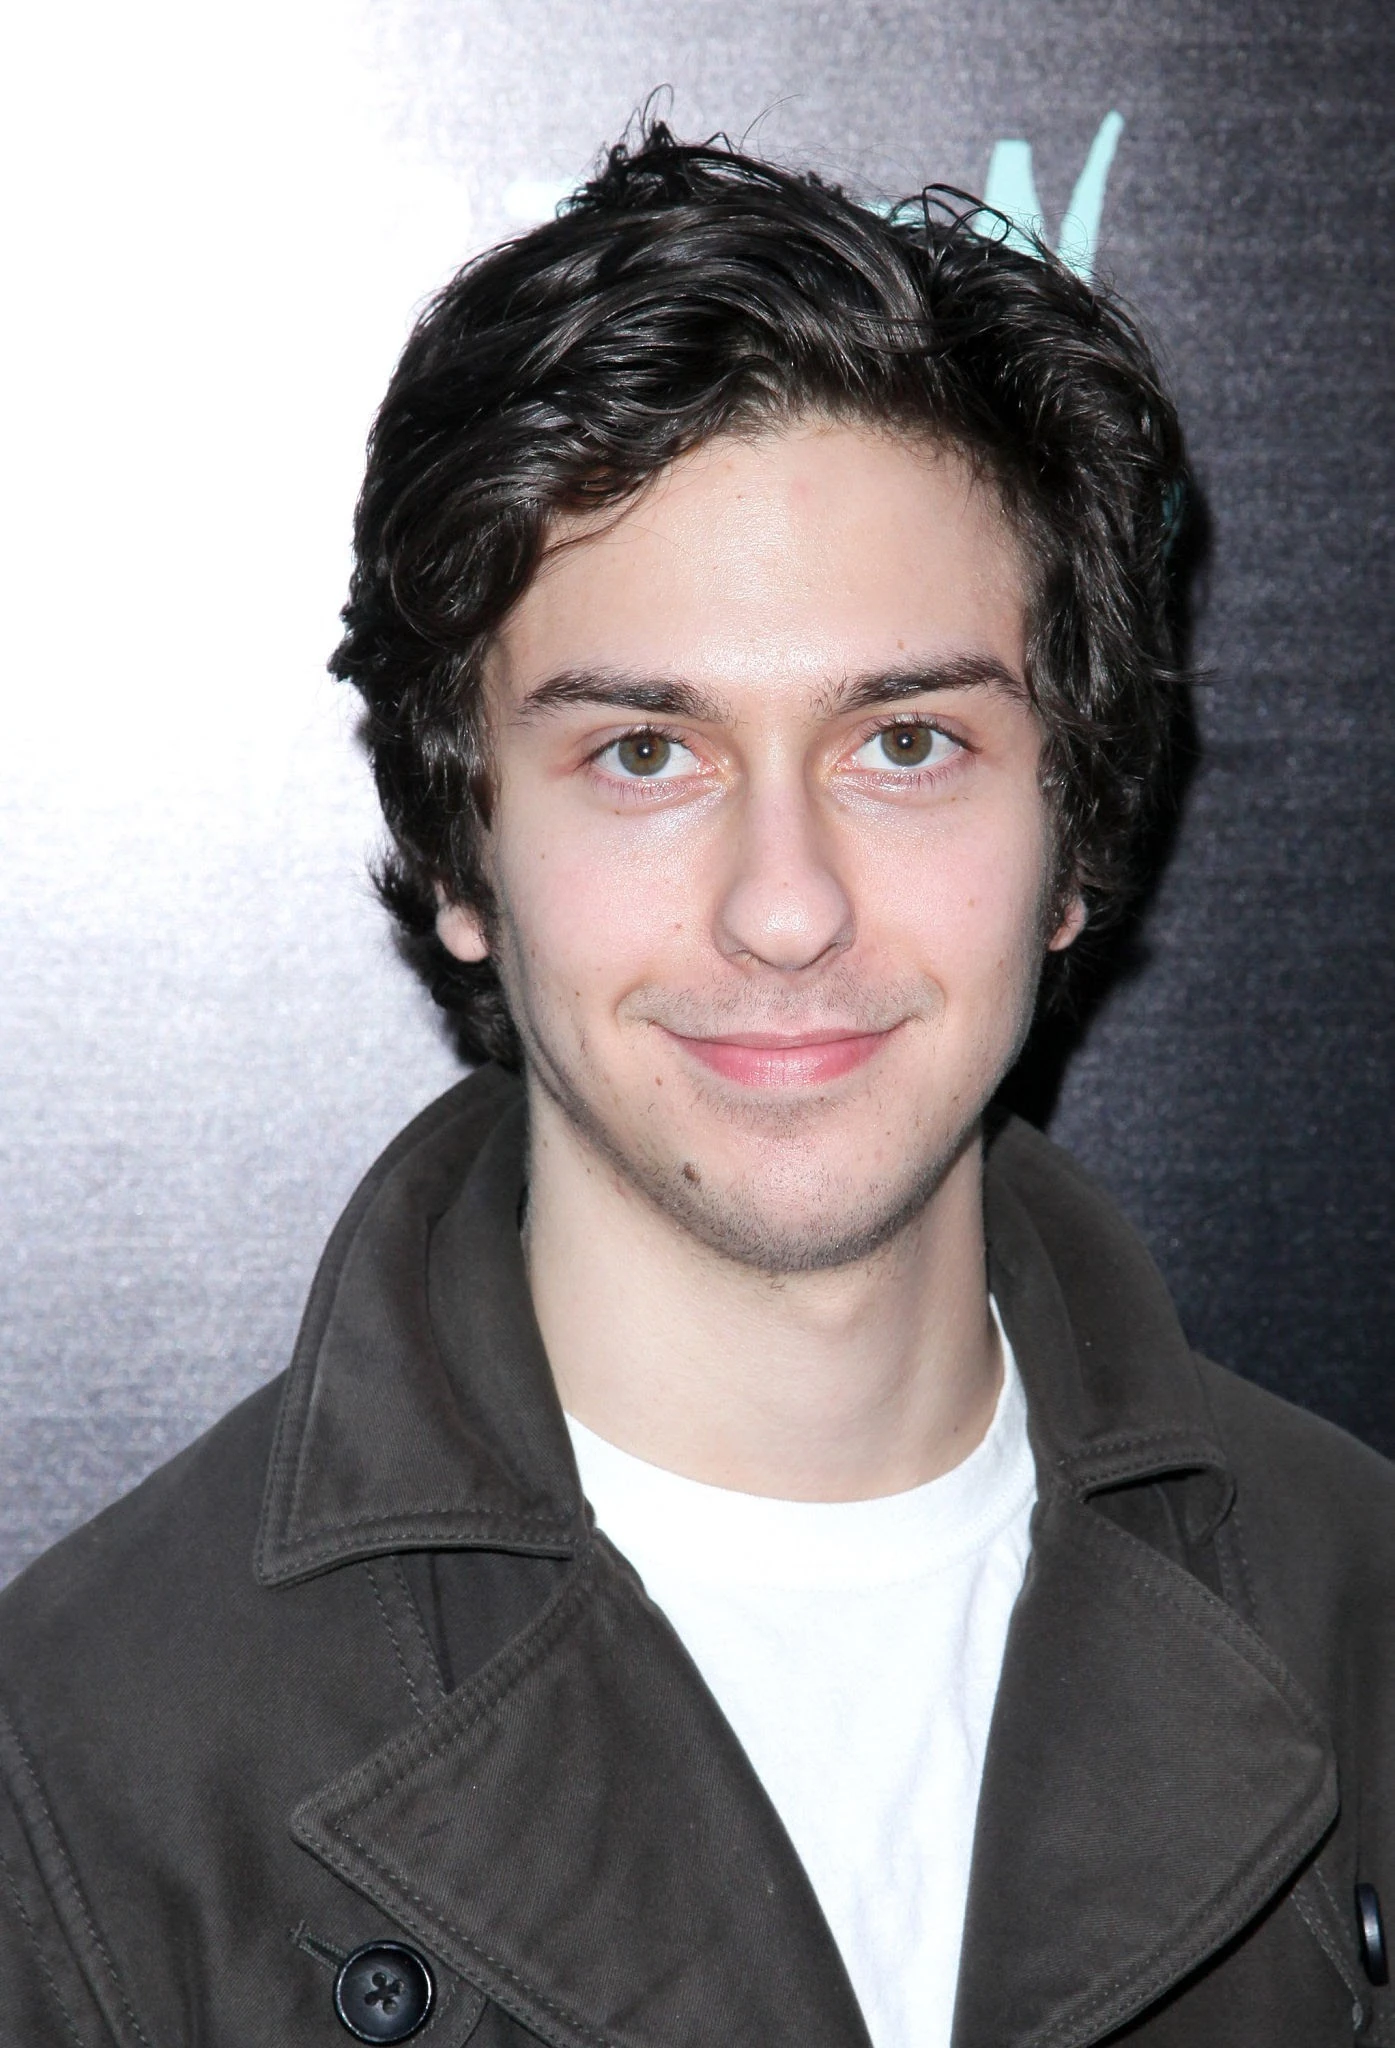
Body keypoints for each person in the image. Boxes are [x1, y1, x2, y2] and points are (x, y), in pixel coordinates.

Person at [0, 122, 1390, 2048]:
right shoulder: (87, 1765)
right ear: (465, 855)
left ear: (1073, 839)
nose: (785, 905)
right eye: (645, 756)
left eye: (905, 742)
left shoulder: (1362, 1613)